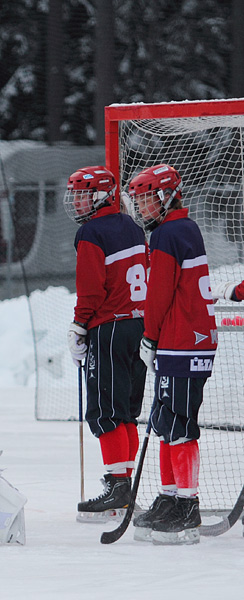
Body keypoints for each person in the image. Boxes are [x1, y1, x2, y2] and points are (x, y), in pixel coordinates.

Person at [126, 164, 217, 545]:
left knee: (177, 424)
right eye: (139, 200)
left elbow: (159, 294)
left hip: (183, 341)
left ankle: (187, 504)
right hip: (181, 341)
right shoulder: (182, 228)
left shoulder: (168, 234)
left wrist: (149, 337)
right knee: (165, 423)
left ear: (165, 197)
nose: (142, 207)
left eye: (147, 199)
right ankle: (170, 496)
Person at [64, 166, 148, 522]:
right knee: (126, 409)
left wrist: (79, 326)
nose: (77, 201)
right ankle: (124, 483)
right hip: (140, 327)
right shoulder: (132, 225)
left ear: (100, 196)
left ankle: (117, 485)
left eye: (83, 194)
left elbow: (92, 289)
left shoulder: (91, 232)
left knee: (105, 410)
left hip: (110, 327)